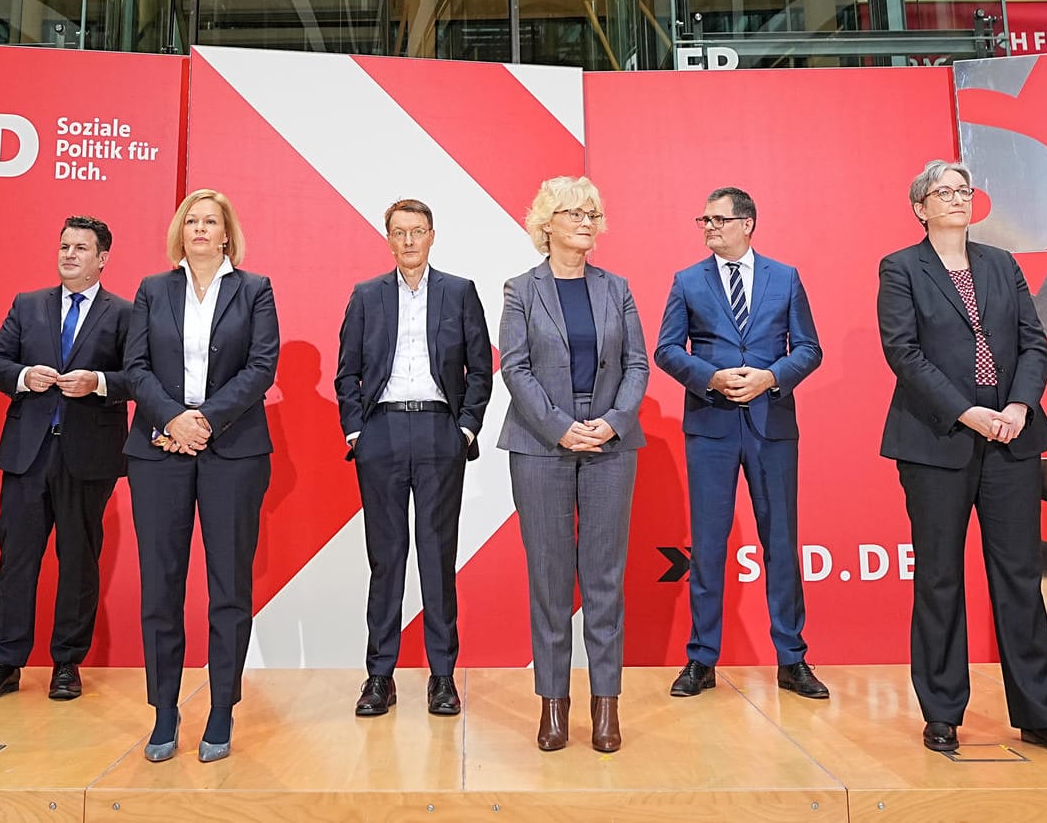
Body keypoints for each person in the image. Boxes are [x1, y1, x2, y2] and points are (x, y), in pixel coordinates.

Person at [876, 159, 1047, 758]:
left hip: (1013, 438)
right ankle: (942, 712)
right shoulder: (900, 268)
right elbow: (904, 352)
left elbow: (1033, 342)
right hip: (935, 442)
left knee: (1021, 578)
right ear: (920, 207)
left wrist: (1019, 407)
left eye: (963, 189)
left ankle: (1041, 715)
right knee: (941, 578)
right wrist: (968, 412)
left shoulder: (1001, 263)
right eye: (942, 191)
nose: (956, 198)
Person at [654, 186, 828, 702]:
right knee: (707, 545)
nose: (709, 228)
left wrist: (771, 377)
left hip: (771, 424)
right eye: (703, 220)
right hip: (711, 426)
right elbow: (666, 349)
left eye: (718, 219)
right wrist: (711, 377)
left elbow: (810, 349)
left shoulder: (785, 277)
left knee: (780, 541)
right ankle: (701, 659)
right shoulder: (687, 281)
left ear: (747, 223)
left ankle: (792, 659)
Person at [124, 189, 279, 763]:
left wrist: (204, 422)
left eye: (210, 221)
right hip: (158, 448)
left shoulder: (255, 289)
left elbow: (261, 367)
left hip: (232, 452)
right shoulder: (152, 289)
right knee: (161, 588)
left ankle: (220, 711)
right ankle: (164, 712)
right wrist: (172, 419)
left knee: (228, 589)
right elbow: (135, 367)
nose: (199, 228)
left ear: (226, 233)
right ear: (180, 230)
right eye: (191, 220)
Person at [498, 176, 649, 753]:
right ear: (547, 224)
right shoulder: (520, 289)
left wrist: (611, 422)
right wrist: (561, 427)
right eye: (573, 213)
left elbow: (637, 364)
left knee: (605, 580)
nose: (586, 221)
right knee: (551, 581)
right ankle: (553, 705)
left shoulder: (618, 288)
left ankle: (606, 707)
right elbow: (515, 368)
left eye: (592, 212)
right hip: (541, 445)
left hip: (611, 443)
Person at [335, 198, 492, 719]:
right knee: (386, 559)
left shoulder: (459, 292)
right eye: (399, 232)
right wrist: (357, 431)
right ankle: (379, 676)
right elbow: (347, 372)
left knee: (437, 557)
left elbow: (479, 368)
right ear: (388, 238)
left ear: (431, 236)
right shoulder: (365, 296)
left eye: (417, 231)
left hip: (437, 429)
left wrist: (465, 429)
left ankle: (442, 677)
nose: (408, 241)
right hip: (379, 432)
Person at [0, 216, 131, 703]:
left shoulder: (123, 313)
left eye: (81, 248)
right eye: (64, 246)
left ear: (102, 258)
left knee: (78, 562)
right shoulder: (28, 305)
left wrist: (98, 383)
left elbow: (138, 376)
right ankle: (5, 662)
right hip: (27, 453)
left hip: (88, 455)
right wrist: (22, 377)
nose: (69, 255)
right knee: (16, 560)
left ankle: (66, 663)